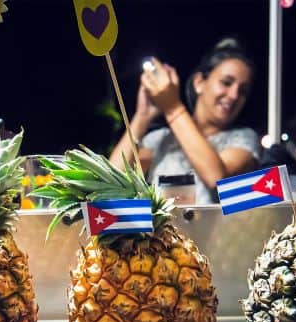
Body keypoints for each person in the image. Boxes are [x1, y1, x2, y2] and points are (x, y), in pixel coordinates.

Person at [109, 38, 260, 204]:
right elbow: (111, 179)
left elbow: (217, 177)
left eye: (243, 91)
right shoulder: (160, 139)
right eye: (226, 82)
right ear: (199, 83)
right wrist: (141, 117)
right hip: (163, 230)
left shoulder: (243, 138)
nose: (234, 95)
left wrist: (173, 108)